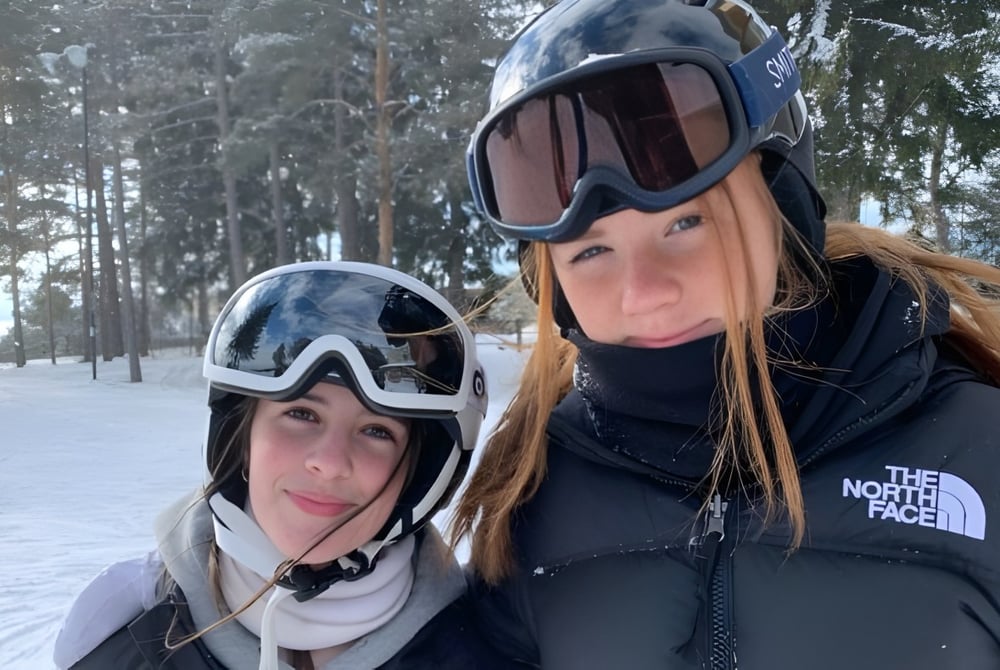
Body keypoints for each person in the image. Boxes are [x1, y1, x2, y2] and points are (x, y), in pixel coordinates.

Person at [453, 0, 1000, 668]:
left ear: (784, 208)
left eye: (687, 225)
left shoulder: (978, 453)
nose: (645, 296)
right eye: (591, 253)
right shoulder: (531, 492)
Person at [53, 261, 502, 670]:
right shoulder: (116, 631)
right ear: (240, 438)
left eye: (377, 432)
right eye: (302, 414)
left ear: (418, 477)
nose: (328, 463)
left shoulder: (483, 649)